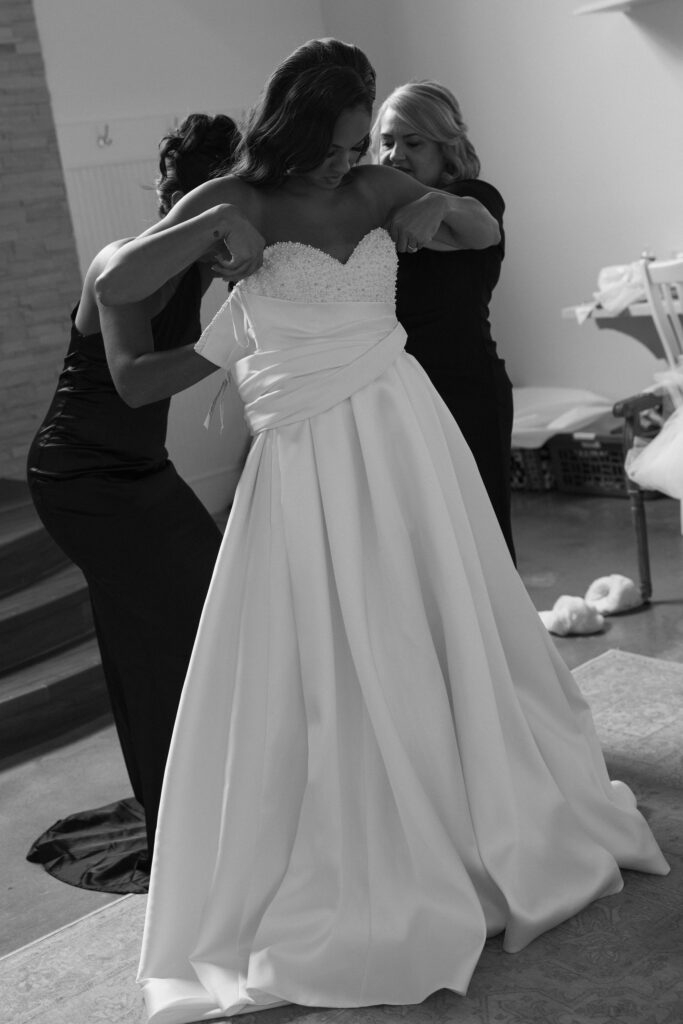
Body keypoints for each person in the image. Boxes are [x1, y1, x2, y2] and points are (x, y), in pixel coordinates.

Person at [97, 39, 668, 1023]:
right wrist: (205, 240)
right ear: (294, 126)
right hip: (305, 458)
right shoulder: (235, 197)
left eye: (366, 142)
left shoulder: (370, 190)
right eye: (342, 140)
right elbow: (111, 283)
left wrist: (436, 205)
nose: (352, 158)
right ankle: (350, 836)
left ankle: (468, 809)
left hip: (404, 433)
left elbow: (467, 225)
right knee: (320, 642)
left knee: (433, 619)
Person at [25, 113, 245, 894]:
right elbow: (136, 381)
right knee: (201, 621)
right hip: (82, 478)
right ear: (189, 201)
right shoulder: (126, 263)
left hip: (138, 469)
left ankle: (175, 808)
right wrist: (233, 335)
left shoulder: (197, 260)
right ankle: (191, 815)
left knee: (141, 640)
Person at [374, 80, 516, 561]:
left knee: (484, 542)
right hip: (399, 397)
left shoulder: (474, 196)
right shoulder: (378, 210)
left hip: (467, 390)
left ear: (447, 148)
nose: (395, 155)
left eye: (414, 143)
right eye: (388, 141)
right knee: (423, 548)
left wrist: (440, 202)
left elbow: (484, 227)